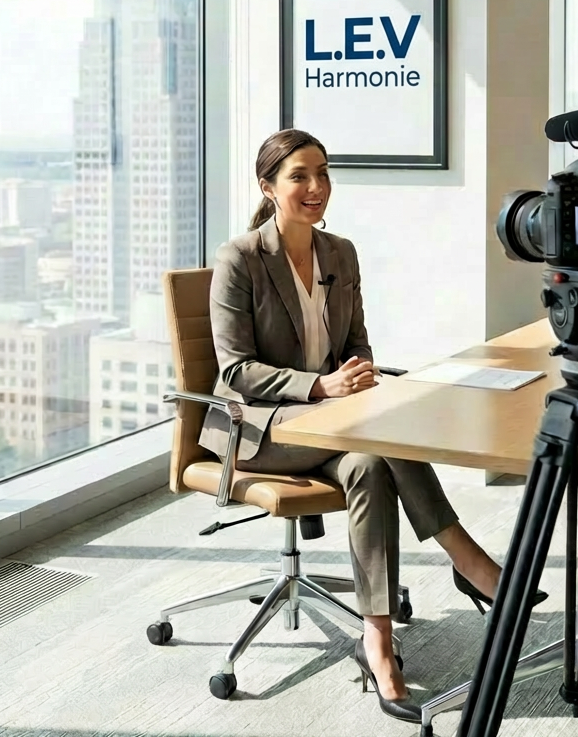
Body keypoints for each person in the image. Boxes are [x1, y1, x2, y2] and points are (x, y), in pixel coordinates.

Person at [198, 129, 514, 723]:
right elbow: (234, 369)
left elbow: (356, 340)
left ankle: (378, 639)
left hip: (333, 423)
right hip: (259, 428)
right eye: (299, 176)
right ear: (268, 187)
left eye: (322, 173)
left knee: (370, 462)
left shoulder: (339, 252)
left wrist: (358, 373)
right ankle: (466, 558)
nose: (316, 187)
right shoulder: (240, 258)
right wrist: (321, 387)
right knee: (376, 440)